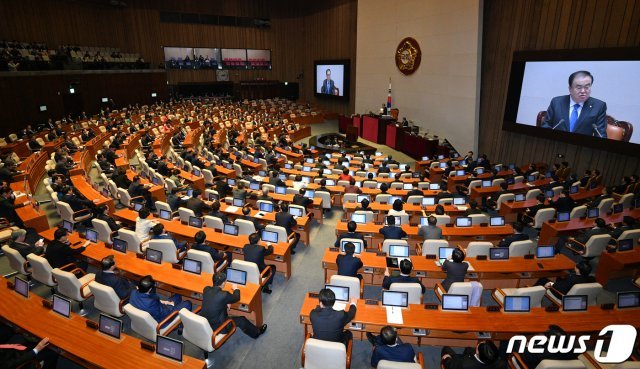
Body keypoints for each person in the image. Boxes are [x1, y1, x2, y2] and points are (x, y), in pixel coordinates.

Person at [540, 70, 607, 138]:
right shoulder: (556, 102)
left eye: (587, 87)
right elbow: (546, 125)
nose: (583, 91)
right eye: (579, 87)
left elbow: (600, 134)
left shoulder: (599, 106)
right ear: (570, 89)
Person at [199, 272, 267, 339]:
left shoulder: (206, 289)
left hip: (205, 323)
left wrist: (225, 302)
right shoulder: (224, 294)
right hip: (219, 327)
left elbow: (214, 300)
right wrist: (236, 289)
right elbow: (237, 297)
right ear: (223, 283)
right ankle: (257, 333)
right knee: (241, 320)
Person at [441, 340, 506, 369]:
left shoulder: (464, 364)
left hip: (458, 362)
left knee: (446, 349)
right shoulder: (501, 364)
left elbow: (450, 365)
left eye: (478, 346)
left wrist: (446, 358)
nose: (478, 345)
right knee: (468, 349)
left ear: (477, 352)